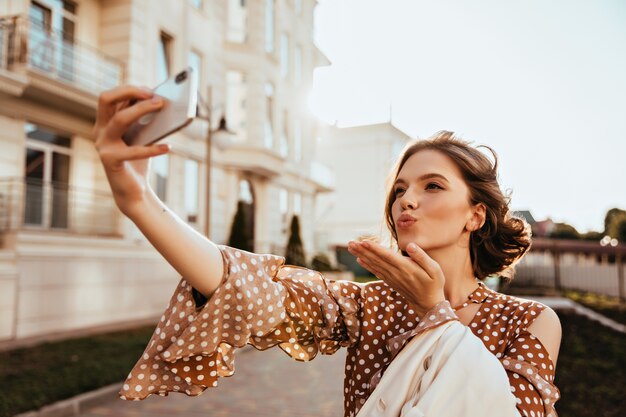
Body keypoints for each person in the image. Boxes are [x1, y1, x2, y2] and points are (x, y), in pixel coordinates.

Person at [93, 86, 562, 417]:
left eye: (432, 186)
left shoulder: (531, 321)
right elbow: (246, 286)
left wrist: (433, 312)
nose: (407, 201)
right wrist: (138, 201)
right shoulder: (368, 305)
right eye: (399, 189)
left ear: (475, 215)